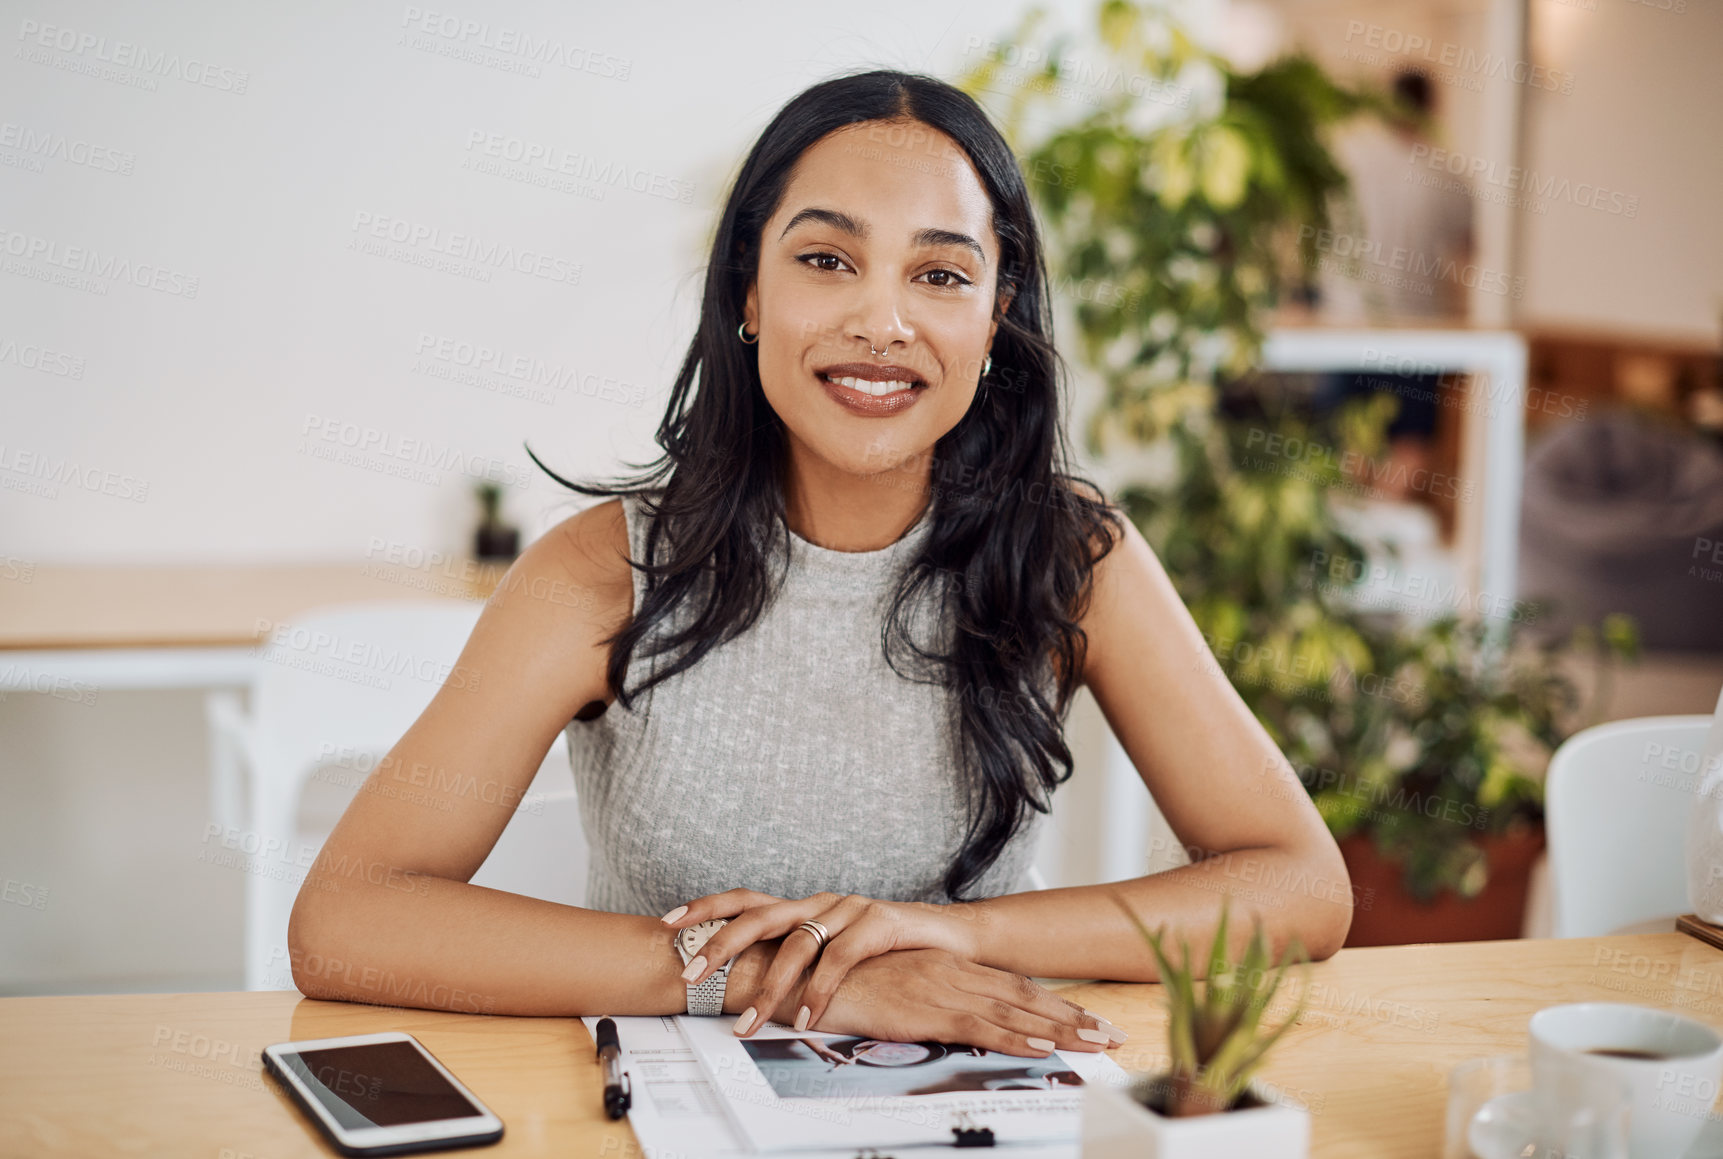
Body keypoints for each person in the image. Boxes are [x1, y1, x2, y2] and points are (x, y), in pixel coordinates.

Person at [287, 69, 1352, 1059]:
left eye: (940, 273)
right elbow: (347, 919)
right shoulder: (601, 572)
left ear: (994, 319)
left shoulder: (1074, 558)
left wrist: (945, 938)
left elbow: (1300, 886)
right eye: (826, 259)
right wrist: (803, 980)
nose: (880, 321)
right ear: (749, 292)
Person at [1311, 68, 1475, 499]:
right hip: (1416, 329)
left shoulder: (1347, 160)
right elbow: (1469, 251)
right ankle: (1383, 527)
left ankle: (1353, 531)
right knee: (1411, 442)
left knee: (1349, 441)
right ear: (1432, 108)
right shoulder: (1446, 174)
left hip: (1346, 324)